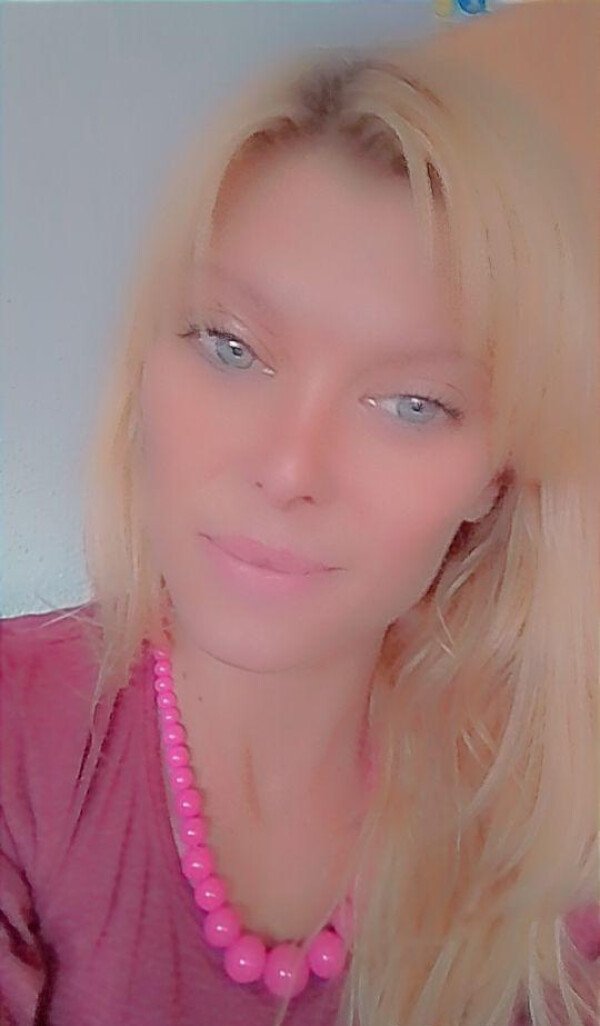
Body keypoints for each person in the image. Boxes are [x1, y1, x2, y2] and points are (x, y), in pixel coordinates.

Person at [1, 16, 598, 1026]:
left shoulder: (554, 829)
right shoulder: (20, 741)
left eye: (412, 403)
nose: (287, 469)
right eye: (230, 346)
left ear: (495, 476)